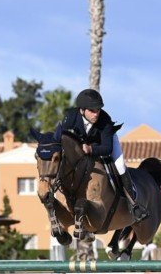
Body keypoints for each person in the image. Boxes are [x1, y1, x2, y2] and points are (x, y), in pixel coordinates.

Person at [55, 88, 148, 223]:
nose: (96, 113)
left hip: (104, 144)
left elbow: (107, 148)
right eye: (92, 110)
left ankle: (134, 204)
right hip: (83, 146)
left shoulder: (104, 120)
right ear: (82, 110)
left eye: (98, 109)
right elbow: (63, 138)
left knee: (120, 165)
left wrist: (91, 149)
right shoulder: (70, 117)